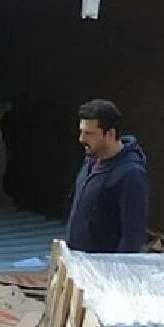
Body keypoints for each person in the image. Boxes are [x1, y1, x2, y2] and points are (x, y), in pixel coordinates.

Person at [65, 99, 149, 254]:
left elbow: (133, 236)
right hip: (79, 264)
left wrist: (116, 273)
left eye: (89, 133)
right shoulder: (91, 159)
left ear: (110, 133)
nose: (81, 139)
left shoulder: (130, 174)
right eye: (81, 131)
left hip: (101, 270)